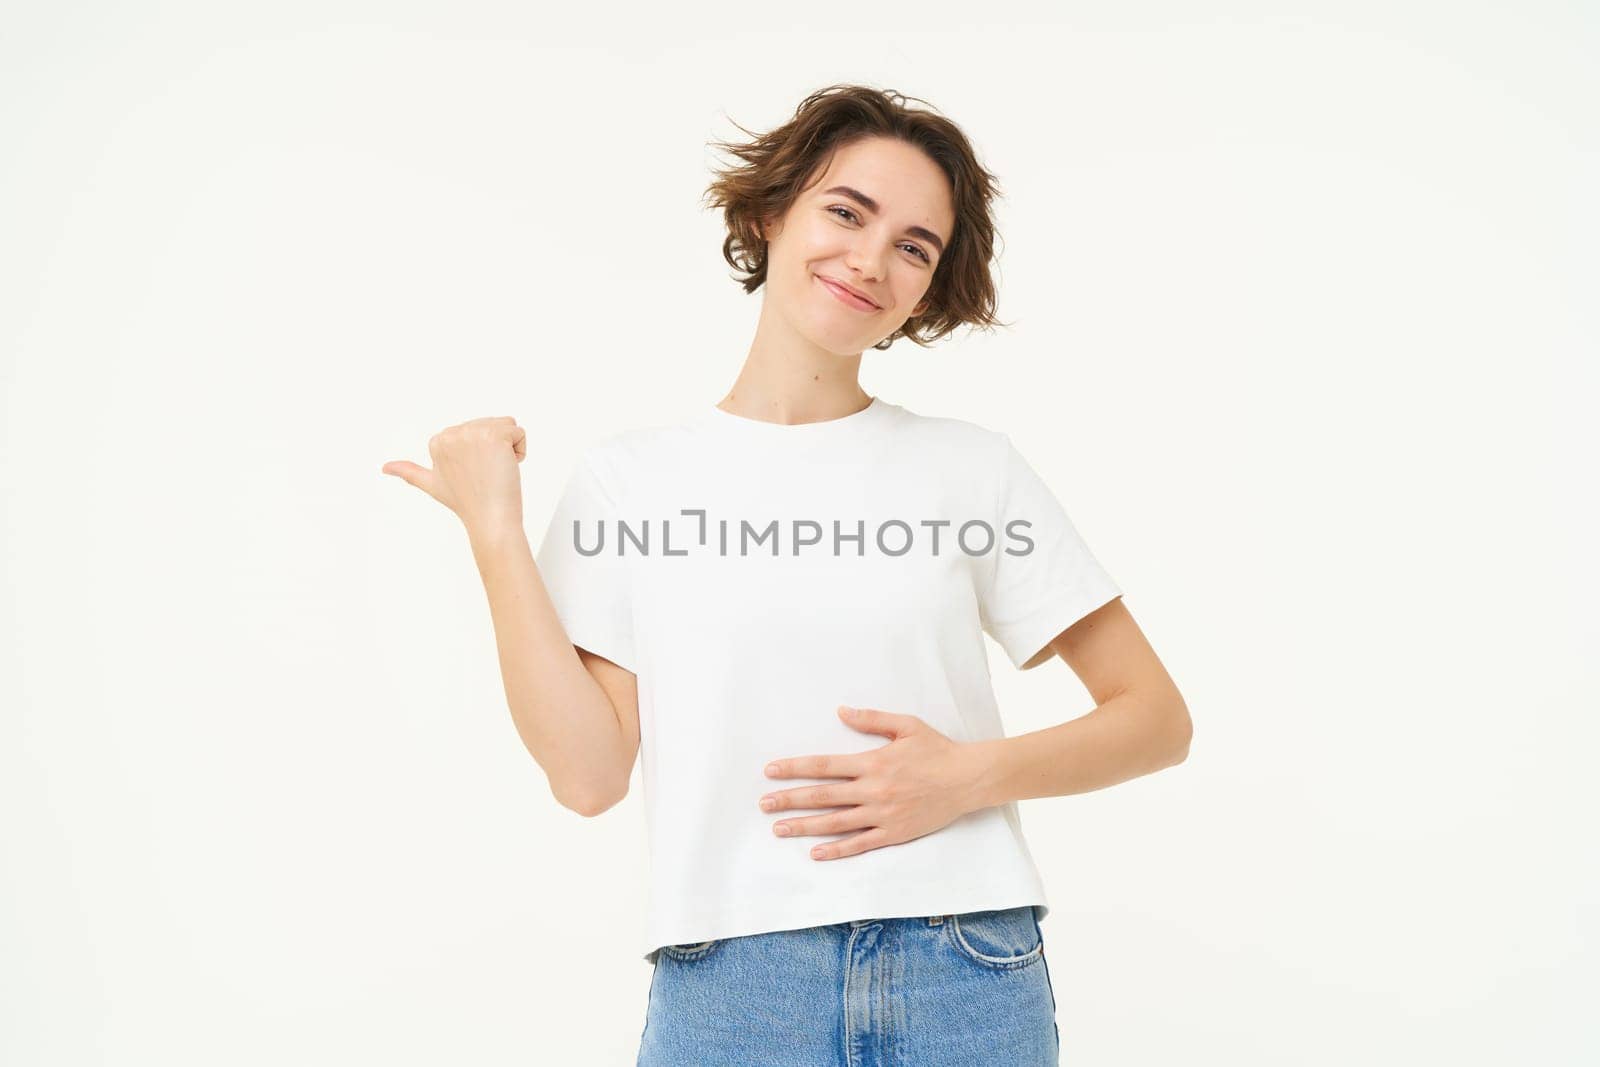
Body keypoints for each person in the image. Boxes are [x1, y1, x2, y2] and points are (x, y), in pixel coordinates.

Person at [382, 84, 1191, 1067]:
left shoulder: (971, 467)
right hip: (733, 979)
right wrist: (496, 531)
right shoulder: (630, 478)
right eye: (846, 212)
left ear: (928, 288)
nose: (870, 258)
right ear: (769, 214)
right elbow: (587, 774)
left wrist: (965, 775)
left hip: (966, 962)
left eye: (913, 245)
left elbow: (1154, 717)